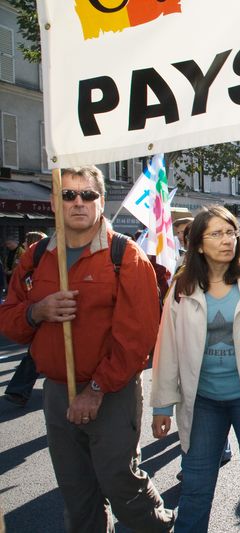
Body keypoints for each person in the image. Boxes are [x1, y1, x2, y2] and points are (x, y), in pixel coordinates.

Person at [0, 166, 174, 532]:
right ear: (54, 201)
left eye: (88, 195)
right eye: (68, 194)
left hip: (111, 390)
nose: (78, 202)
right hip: (57, 390)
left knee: (118, 481)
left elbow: (138, 338)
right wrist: (37, 311)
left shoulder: (125, 256)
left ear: (101, 200)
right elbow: (10, 321)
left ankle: (157, 525)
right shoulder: (35, 257)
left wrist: (95, 391)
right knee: (77, 495)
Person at [151, 205, 240, 533]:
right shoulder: (181, 287)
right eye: (216, 234)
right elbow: (168, 349)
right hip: (202, 401)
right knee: (195, 488)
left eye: (231, 232)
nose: (226, 240)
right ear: (199, 244)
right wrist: (162, 405)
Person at [2, 231, 48, 407]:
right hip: (39, 309)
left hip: (45, 309)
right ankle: (19, 389)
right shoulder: (33, 257)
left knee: (36, 353)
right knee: (35, 352)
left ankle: (19, 389)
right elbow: (25, 283)